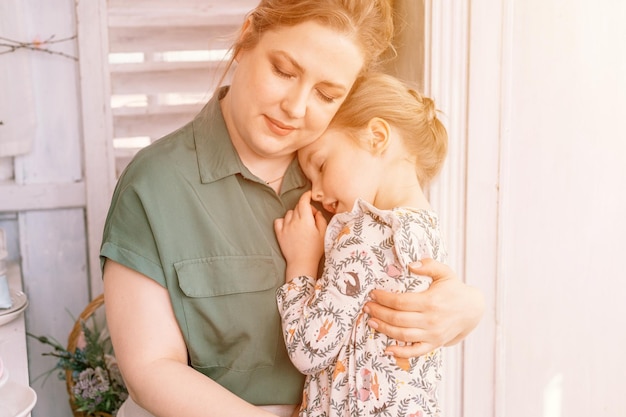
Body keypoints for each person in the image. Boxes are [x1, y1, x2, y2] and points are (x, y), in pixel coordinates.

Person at [101, 1, 484, 417]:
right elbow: (151, 369)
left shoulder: (349, 176)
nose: (296, 107)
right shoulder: (155, 184)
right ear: (247, 37)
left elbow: (400, 285)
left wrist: (466, 309)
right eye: (284, 71)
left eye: (326, 94)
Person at [275, 72, 448, 417]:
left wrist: (302, 265)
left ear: (377, 137)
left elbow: (309, 349)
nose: (318, 193)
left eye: (321, 165)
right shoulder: (428, 232)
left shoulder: (363, 234)